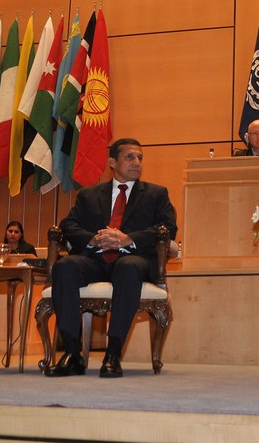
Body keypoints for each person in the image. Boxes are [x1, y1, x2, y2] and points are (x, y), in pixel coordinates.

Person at [45, 137, 178, 379]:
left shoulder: (156, 194)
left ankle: (113, 354)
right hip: (95, 260)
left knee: (127, 267)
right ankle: (72, 354)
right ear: (112, 162)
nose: (136, 162)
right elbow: (69, 224)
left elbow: (168, 229)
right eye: (130, 157)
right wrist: (94, 239)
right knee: (65, 267)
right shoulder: (89, 194)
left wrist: (129, 239)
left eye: (140, 157)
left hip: (133, 259)